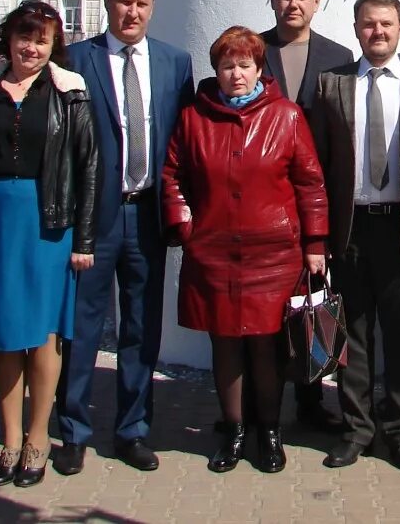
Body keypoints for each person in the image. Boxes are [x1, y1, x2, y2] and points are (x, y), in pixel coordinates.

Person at [162, 26, 329, 475]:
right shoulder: (194, 117)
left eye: (244, 65)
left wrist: (315, 243)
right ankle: (234, 430)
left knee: (267, 348)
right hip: (214, 251)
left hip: (273, 254)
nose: (236, 74)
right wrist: (183, 221)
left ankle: (270, 432)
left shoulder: (286, 115)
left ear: (259, 69)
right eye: (227, 66)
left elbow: (310, 184)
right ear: (215, 70)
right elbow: (172, 174)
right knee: (226, 347)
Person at [56, 0, 194, 476]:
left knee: (140, 327)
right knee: (83, 326)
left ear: (152, 7)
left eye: (141, 3)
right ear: (108, 4)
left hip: (148, 214)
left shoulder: (175, 62)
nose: (131, 12)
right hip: (93, 217)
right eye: (123, 2)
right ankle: (72, 430)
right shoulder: (76, 60)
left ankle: (132, 430)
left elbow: (180, 142)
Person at [308, 0, 400, 471]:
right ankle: (357, 429)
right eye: (369, 24)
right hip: (349, 230)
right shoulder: (332, 85)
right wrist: (319, 236)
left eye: (387, 24)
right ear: (356, 29)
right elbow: (318, 167)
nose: (379, 32)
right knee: (354, 335)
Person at [0, 1, 99, 488]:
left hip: (49, 223)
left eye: (41, 39)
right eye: (24, 37)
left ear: (53, 44)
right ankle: (10, 437)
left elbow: (88, 167)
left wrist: (83, 238)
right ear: (9, 39)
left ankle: (39, 436)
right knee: (5, 334)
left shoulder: (69, 90)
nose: (32, 48)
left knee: (42, 334)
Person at [258, 0, 354, 433]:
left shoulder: (339, 58)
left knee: (313, 303)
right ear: (272, 0)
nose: (292, 4)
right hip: (265, 203)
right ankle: (263, 402)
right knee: (267, 304)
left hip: (319, 202)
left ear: (316, 3)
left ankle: (312, 397)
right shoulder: (253, 52)